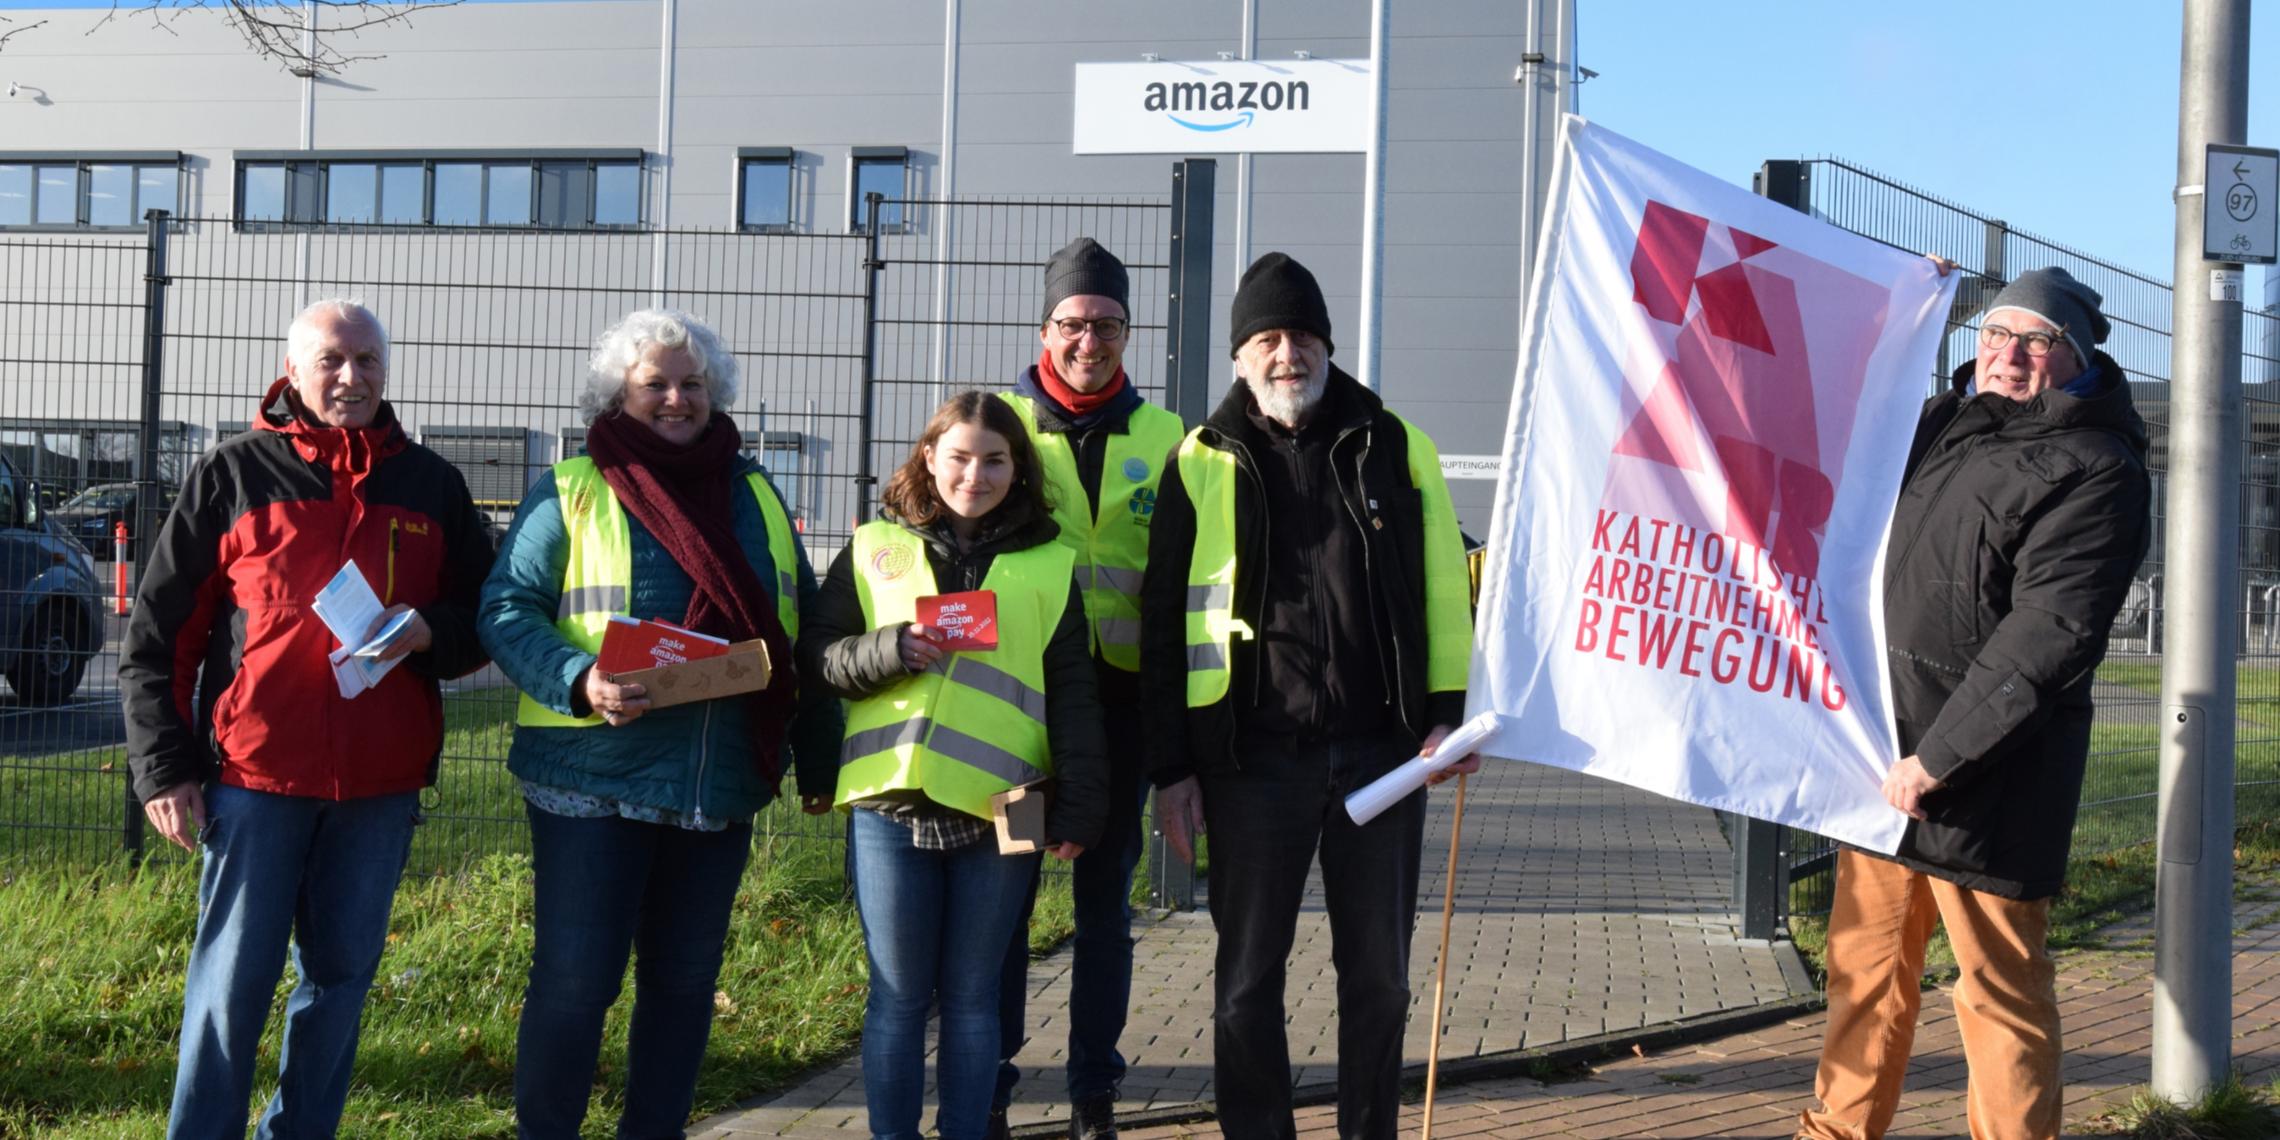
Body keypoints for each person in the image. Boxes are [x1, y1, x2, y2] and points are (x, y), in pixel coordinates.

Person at [121, 298, 494, 1139]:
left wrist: (437, 633)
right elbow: (155, 640)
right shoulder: (232, 474)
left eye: (366, 361)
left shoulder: (433, 484)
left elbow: (488, 615)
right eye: (330, 360)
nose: (350, 377)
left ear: (385, 372)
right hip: (255, 781)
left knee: (339, 982)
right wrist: (165, 768)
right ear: (293, 371)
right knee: (229, 989)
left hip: (380, 788)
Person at [1797, 267, 2152, 1140]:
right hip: (1883, 756)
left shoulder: (2100, 470)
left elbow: (2049, 634)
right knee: (1863, 976)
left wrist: (1940, 759)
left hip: (1989, 774)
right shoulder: (1939, 427)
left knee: (1997, 992)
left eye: (2035, 339)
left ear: (2075, 355)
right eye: (1995, 333)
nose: (2009, 354)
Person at [1136, 253, 1478, 1140]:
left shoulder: (1398, 446)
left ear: (1327, 343)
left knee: (1382, 980)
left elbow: (1445, 586)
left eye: (1301, 335)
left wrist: (1449, 711)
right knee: (1247, 981)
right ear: (1241, 357)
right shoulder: (1197, 462)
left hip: (1383, 757)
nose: (1287, 354)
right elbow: (1164, 620)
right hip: (1253, 765)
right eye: (1266, 339)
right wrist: (1173, 768)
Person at [477, 309, 842, 1139]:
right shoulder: (573, 487)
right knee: (576, 984)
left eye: (692, 384)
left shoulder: (754, 491)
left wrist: (818, 760)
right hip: (590, 778)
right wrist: (580, 679)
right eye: (655, 385)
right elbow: (505, 607)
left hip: (714, 783)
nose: (676, 399)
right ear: (617, 395)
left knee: (682, 988)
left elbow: (800, 624)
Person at [798, 390, 1108, 1140]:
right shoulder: (876, 546)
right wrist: (891, 649)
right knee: (899, 997)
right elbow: (818, 656)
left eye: (994, 460)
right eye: (960, 457)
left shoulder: (1051, 564)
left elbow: (1073, 692)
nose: (976, 474)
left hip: (1010, 801)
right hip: (891, 801)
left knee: (973, 998)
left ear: (1018, 468)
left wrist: (1082, 804)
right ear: (929, 459)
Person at [989, 236, 1188, 1139]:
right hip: (1017, 711)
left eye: (1106, 325)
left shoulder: (1171, 437)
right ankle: (988, 1074)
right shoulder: (999, 427)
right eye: (1073, 324)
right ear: (1046, 329)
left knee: (1105, 903)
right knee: (1008, 890)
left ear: (1127, 333)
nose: (1088, 341)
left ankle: (1094, 1090)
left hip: (1121, 715)